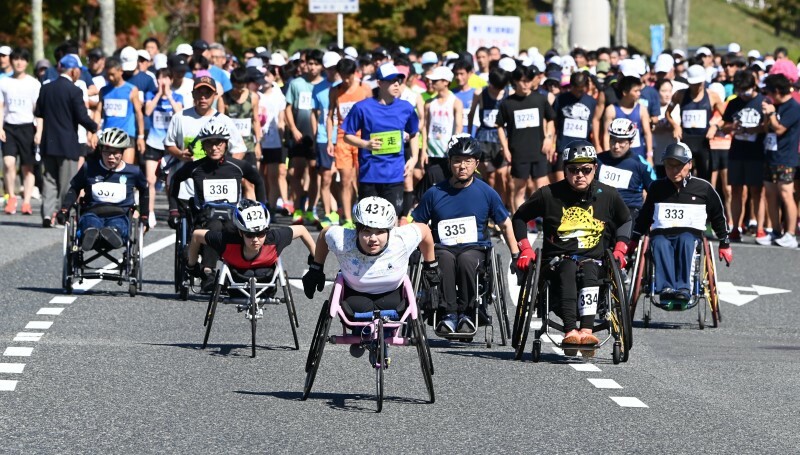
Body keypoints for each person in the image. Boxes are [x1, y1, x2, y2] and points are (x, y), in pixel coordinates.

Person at [512, 140, 632, 355]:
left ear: (595, 169)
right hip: (557, 262)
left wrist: (621, 248)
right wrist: (525, 248)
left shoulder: (609, 195)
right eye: (573, 170)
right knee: (568, 267)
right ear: (565, 170)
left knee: (589, 268)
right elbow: (520, 217)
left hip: (594, 262)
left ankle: (586, 331)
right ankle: (570, 331)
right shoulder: (548, 194)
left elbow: (625, 220)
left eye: (586, 170)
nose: (580, 175)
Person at [411, 135, 519, 334]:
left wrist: (515, 255)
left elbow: (505, 223)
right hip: (442, 248)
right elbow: (417, 225)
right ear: (450, 163)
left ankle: (468, 313)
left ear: (476, 163)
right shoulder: (435, 193)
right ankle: (448, 314)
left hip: (475, 248)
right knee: (442, 259)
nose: (462, 166)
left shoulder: (486, 192)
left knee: (467, 260)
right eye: (457, 161)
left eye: (468, 161)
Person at [302, 196, 437, 357]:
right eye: (366, 231)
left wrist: (431, 268)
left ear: (389, 230)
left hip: (392, 295)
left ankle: (378, 338)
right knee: (356, 311)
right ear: (357, 230)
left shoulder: (401, 239)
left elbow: (424, 230)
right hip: (355, 295)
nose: (373, 238)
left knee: (392, 312)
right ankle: (363, 336)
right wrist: (316, 268)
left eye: (380, 232)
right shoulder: (344, 240)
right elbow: (324, 234)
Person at [169, 120, 265, 291]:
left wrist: (262, 209)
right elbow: (175, 179)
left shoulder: (236, 166)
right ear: (204, 146)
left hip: (232, 219)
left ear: (226, 144)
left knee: (232, 229)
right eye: (209, 143)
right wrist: (174, 209)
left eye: (218, 143)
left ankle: (238, 272)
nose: (214, 148)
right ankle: (208, 272)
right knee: (213, 227)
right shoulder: (195, 168)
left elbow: (258, 180)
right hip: (205, 219)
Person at [631, 143, 733, 304]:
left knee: (685, 239)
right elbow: (645, 215)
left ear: (690, 165)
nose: (674, 170)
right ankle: (666, 288)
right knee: (658, 242)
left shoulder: (703, 188)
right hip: (662, 233)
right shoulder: (657, 187)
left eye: (679, 166)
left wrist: (724, 242)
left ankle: (684, 288)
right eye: (669, 166)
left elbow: (718, 216)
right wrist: (634, 238)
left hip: (690, 235)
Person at [342, 62, 420, 217]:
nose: (396, 84)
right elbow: (347, 135)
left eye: (398, 80)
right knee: (368, 220)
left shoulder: (406, 108)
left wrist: (414, 158)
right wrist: (366, 144)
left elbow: (414, 133)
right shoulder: (362, 107)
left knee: (391, 219)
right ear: (379, 83)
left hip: (395, 174)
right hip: (369, 173)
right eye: (391, 80)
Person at [55, 128, 149, 250]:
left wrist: (144, 216)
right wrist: (64, 209)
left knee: (118, 225)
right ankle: (91, 235)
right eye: (107, 152)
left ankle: (112, 234)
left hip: (120, 214)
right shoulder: (89, 168)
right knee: (90, 223)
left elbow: (144, 191)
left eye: (115, 153)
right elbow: (75, 188)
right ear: (101, 151)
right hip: (92, 211)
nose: (111, 157)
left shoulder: (133, 172)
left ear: (122, 152)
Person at [35, 54, 99, 227]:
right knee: (66, 181)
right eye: (78, 70)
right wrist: (95, 127)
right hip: (67, 143)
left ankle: (47, 216)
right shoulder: (74, 91)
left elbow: (38, 112)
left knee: (49, 179)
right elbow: (82, 117)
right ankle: (63, 216)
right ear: (73, 70)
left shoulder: (46, 88)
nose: (79, 73)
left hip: (49, 142)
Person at [187, 199, 315, 279]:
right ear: (240, 233)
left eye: (260, 234)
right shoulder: (226, 240)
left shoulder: (274, 239)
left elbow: (302, 230)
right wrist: (192, 266)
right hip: (236, 280)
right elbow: (197, 235)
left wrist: (316, 260)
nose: (255, 239)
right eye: (249, 235)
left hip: (266, 279)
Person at [496, 65, 556, 212]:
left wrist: (548, 138)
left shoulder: (540, 99)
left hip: (538, 150)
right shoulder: (507, 103)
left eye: (528, 80)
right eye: (522, 81)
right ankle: (520, 222)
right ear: (515, 81)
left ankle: (547, 221)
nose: (526, 84)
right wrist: (505, 148)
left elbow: (551, 119)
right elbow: (499, 126)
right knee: (519, 189)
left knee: (542, 187)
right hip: (518, 152)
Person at [328, 57, 372, 227]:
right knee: (345, 179)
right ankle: (346, 218)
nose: (345, 80)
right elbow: (330, 116)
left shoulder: (365, 89)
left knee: (361, 179)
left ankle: (359, 211)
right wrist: (330, 141)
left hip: (362, 139)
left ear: (355, 73)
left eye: (348, 76)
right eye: (342, 76)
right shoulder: (335, 91)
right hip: (342, 138)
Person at [665, 64, 725, 181]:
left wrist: (715, 126)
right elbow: (668, 113)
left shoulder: (712, 96)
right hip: (686, 140)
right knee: (683, 176)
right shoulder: (680, 94)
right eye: (693, 84)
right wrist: (675, 126)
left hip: (703, 141)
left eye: (698, 84)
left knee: (705, 177)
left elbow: (726, 118)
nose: (695, 87)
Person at [285, 49, 324, 225]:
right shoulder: (296, 83)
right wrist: (293, 128)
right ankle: (298, 207)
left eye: (316, 64)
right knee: (296, 172)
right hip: (299, 134)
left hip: (318, 136)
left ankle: (311, 209)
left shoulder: (325, 85)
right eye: (309, 63)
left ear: (321, 66)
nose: (312, 67)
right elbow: (287, 108)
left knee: (315, 173)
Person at [759, 74, 799, 248]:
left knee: (786, 194)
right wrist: (768, 115)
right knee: (770, 194)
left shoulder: (793, 107)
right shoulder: (774, 105)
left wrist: (772, 113)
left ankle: (790, 233)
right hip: (770, 156)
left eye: (768, 91)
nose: (767, 95)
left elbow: (780, 129)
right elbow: (767, 128)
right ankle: (775, 230)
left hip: (786, 158)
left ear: (776, 90)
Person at [0, 48, 41, 215]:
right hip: (9, 126)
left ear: (27, 62)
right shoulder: (4, 82)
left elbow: (38, 111)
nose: (19, 62)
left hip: (27, 127)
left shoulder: (33, 83)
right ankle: (11, 198)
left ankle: (26, 202)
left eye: (22, 59)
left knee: (27, 167)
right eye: (16, 59)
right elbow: (1, 107)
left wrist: (39, 131)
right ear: (11, 61)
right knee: (9, 163)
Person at [143, 68, 184, 227]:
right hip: (154, 143)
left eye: (167, 78)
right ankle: (150, 212)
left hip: (171, 145)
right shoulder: (151, 95)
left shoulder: (177, 96)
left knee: (169, 181)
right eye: (161, 78)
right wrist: (159, 94)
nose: (163, 82)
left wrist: (169, 96)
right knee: (150, 179)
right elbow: (147, 111)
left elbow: (179, 113)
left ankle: (172, 210)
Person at [597, 118, 656, 223]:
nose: (616, 146)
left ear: (631, 142)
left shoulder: (641, 164)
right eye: (613, 140)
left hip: (629, 212)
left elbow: (655, 192)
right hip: (601, 209)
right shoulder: (598, 160)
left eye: (621, 142)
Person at [468, 67, 511, 208]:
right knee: (489, 177)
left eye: (500, 88)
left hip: (502, 138)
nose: (497, 91)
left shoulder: (509, 93)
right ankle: (489, 209)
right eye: (495, 87)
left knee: (502, 176)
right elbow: (471, 114)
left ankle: (502, 209)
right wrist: (469, 136)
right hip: (484, 137)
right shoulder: (480, 93)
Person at [95, 56, 144, 164]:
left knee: (126, 169)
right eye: (108, 75)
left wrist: (141, 136)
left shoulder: (131, 90)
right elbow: (98, 111)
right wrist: (94, 131)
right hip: (107, 136)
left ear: (120, 71)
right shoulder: (104, 91)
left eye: (112, 74)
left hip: (126, 135)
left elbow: (138, 113)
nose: (110, 77)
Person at [422, 65, 463, 188]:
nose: (431, 83)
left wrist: (453, 149)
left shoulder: (456, 102)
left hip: (447, 153)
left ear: (446, 82)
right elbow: (425, 127)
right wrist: (424, 150)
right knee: (431, 185)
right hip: (431, 152)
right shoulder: (429, 103)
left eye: (435, 80)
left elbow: (458, 127)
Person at [553, 71, 597, 182]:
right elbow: (553, 123)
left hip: (583, 150)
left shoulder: (591, 102)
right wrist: (552, 143)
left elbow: (595, 125)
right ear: (571, 86)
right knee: (561, 184)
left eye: (581, 90)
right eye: (576, 89)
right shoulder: (560, 99)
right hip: (563, 148)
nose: (579, 92)